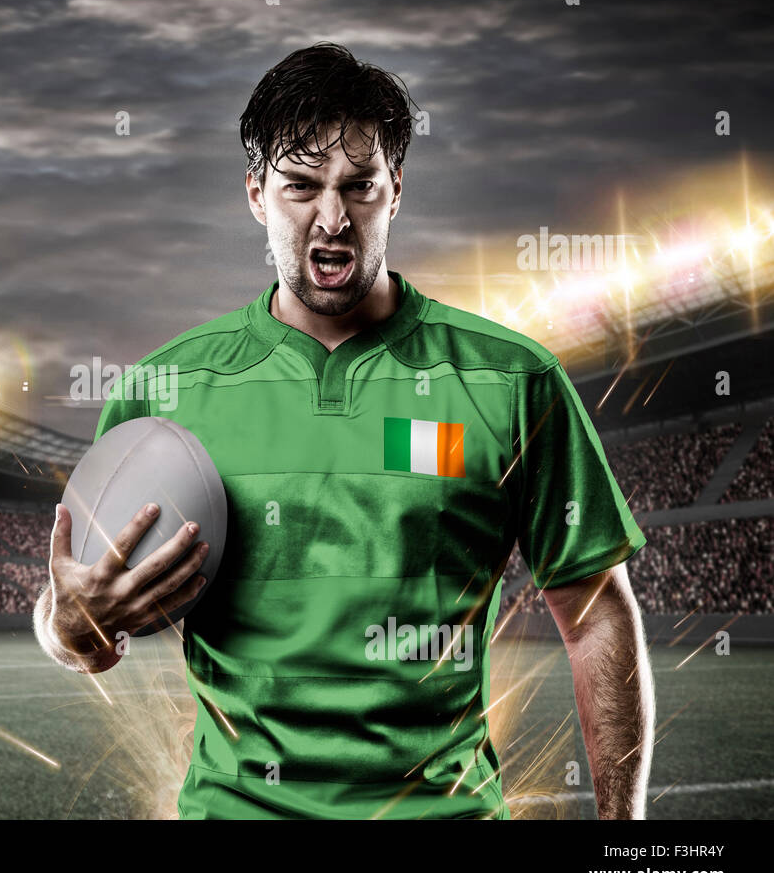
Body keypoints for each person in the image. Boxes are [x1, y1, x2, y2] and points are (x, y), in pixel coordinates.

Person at [34, 43, 653, 820]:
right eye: (301, 186)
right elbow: (79, 628)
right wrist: (66, 626)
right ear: (257, 194)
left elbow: (597, 614)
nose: (333, 217)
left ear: (396, 193)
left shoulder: (512, 382)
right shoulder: (161, 395)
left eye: (359, 185)